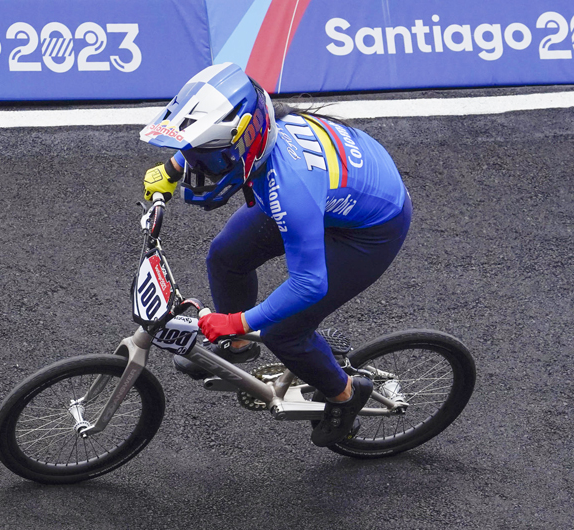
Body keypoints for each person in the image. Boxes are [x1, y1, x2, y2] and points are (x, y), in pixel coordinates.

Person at [139, 62, 412, 447]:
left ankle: (345, 394)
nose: (202, 168)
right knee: (225, 257)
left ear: (247, 143)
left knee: (285, 332)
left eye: (210, 159)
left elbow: (308, 284)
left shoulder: (290, 190)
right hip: (331, 192)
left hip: (368, 232)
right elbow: (209, 142)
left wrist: (238, 319)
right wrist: (172, 166)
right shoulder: (262, 132)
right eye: (197, 156)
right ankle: (237, 349)